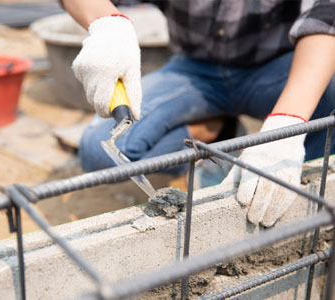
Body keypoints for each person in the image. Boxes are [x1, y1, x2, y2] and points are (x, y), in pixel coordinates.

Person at [61, 0, 335, 227]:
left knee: (329, 93)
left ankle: (298, 191)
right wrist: (107, 24)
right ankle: (216, 130)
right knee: (98, 151)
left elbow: (326, 14)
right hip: (194, 72)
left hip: (276, 70)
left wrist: (286, 124)